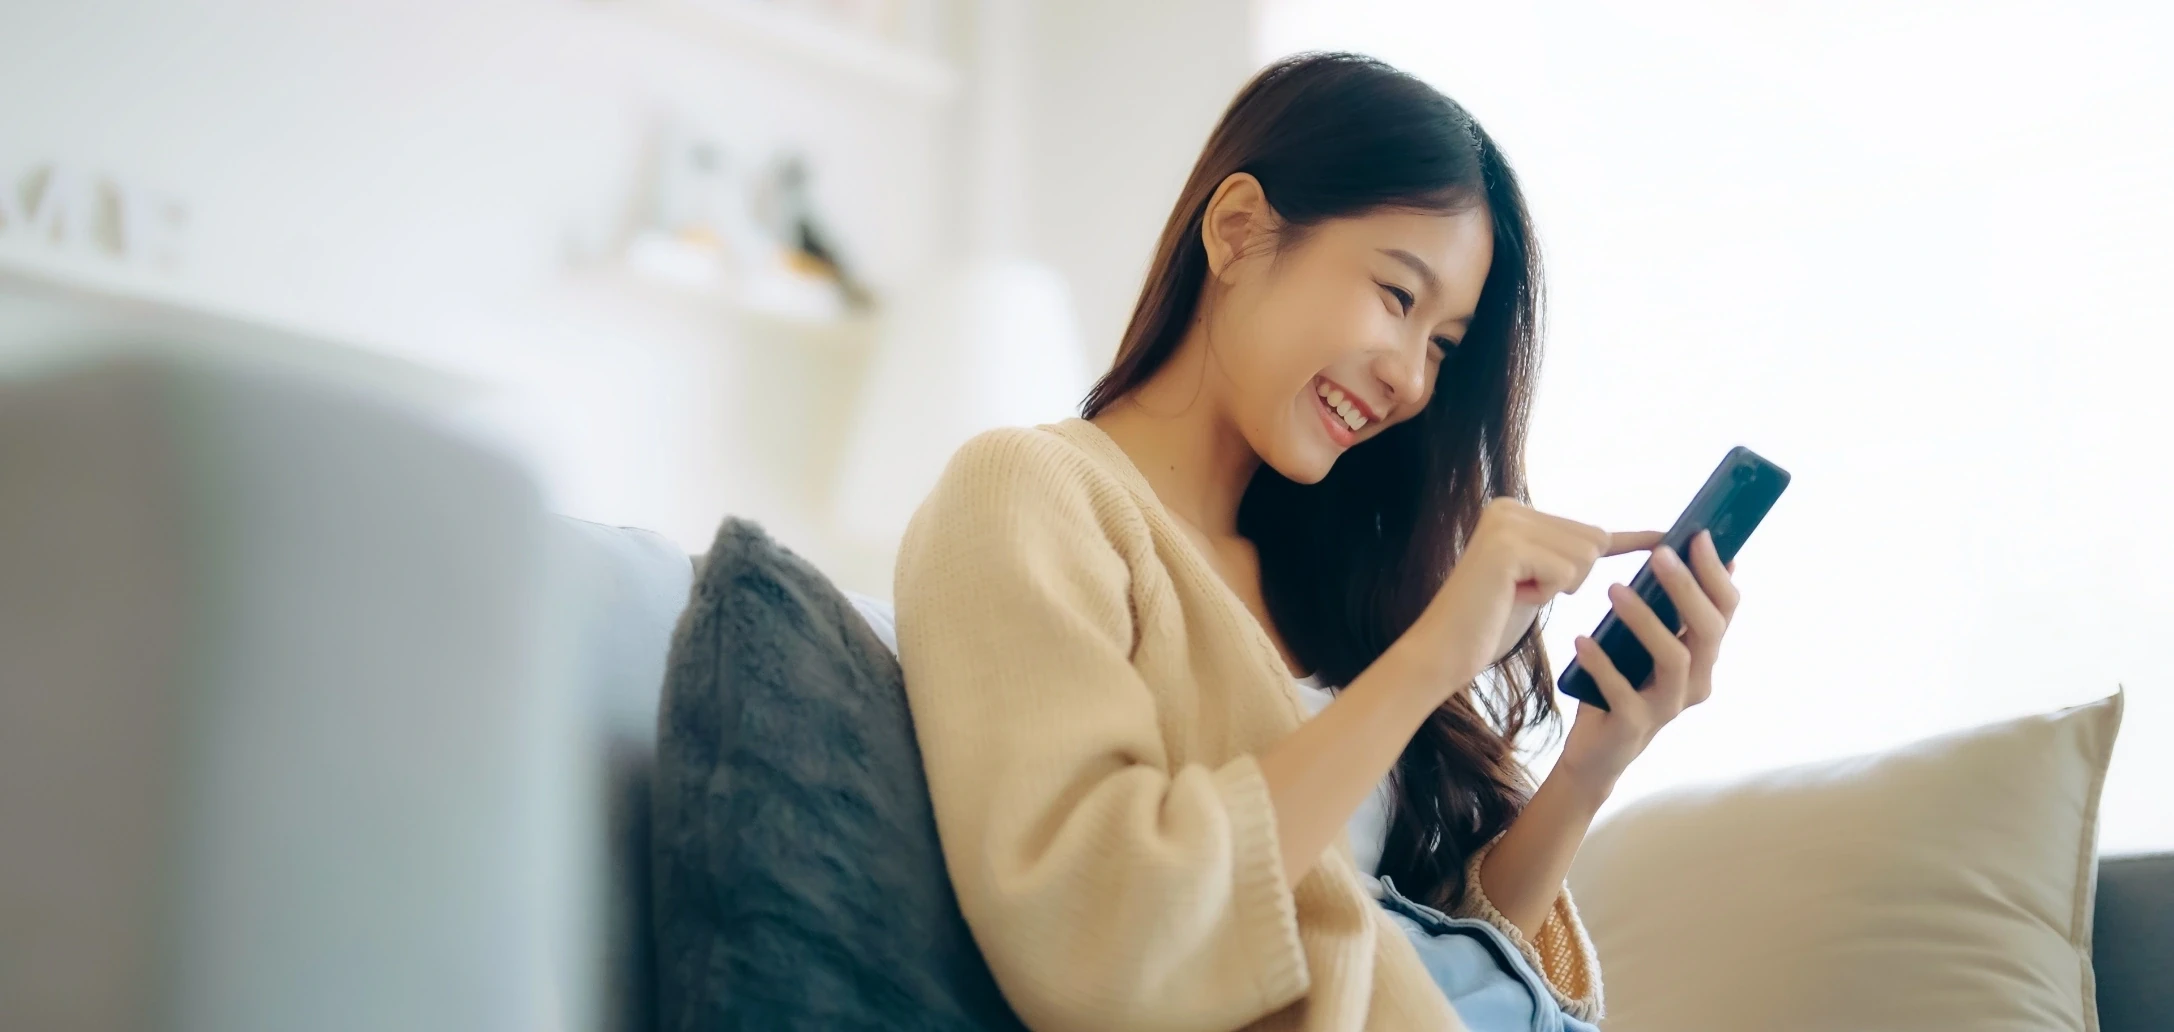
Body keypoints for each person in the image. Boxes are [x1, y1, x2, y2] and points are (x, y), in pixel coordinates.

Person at [893, 51, 1742, 1032]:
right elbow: (1098, 934)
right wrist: (1429, 661)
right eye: (1396, 297)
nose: (1413, 384)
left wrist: (1596, 759)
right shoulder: (1026, 494)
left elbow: (1413, 951)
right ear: (1237, 229)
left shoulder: (1326, 580)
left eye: (1441, 345)